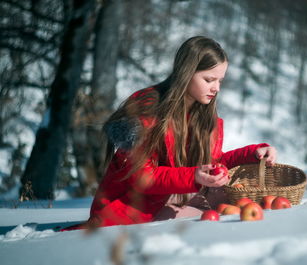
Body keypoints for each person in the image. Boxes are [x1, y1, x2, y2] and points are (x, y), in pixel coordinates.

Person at [63, 36, 276, 230]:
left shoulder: (202, 113)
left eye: (220, 80)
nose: (216, 88)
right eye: (209, 80)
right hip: (129, 211)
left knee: (232, 204)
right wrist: (194, 176)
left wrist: (252, 153)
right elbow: (142, 177)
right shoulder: (145, 109)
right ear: (186, 73)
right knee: (215, 219)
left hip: (169, 199)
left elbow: (211, 162)